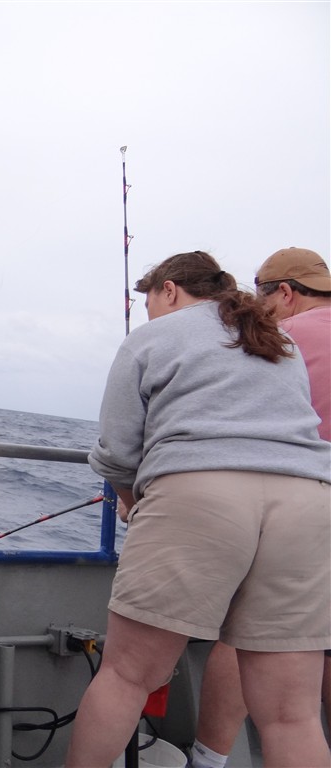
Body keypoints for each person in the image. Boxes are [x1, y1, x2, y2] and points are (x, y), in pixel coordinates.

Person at [64, 250, 331, 768]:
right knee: (291, 716)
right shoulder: (278, 340)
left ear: (169, 290)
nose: (149, 315)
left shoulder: (152, 337)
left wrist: (133, 505)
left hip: (201, 495)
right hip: (307, 503)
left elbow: (116, 453)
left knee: (126, 677)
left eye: (149, 303)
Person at [191, 247, 331, 768]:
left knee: (250, 632)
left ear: (285, 293)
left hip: (298, 503)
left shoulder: (284, 339)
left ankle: (208, 759)